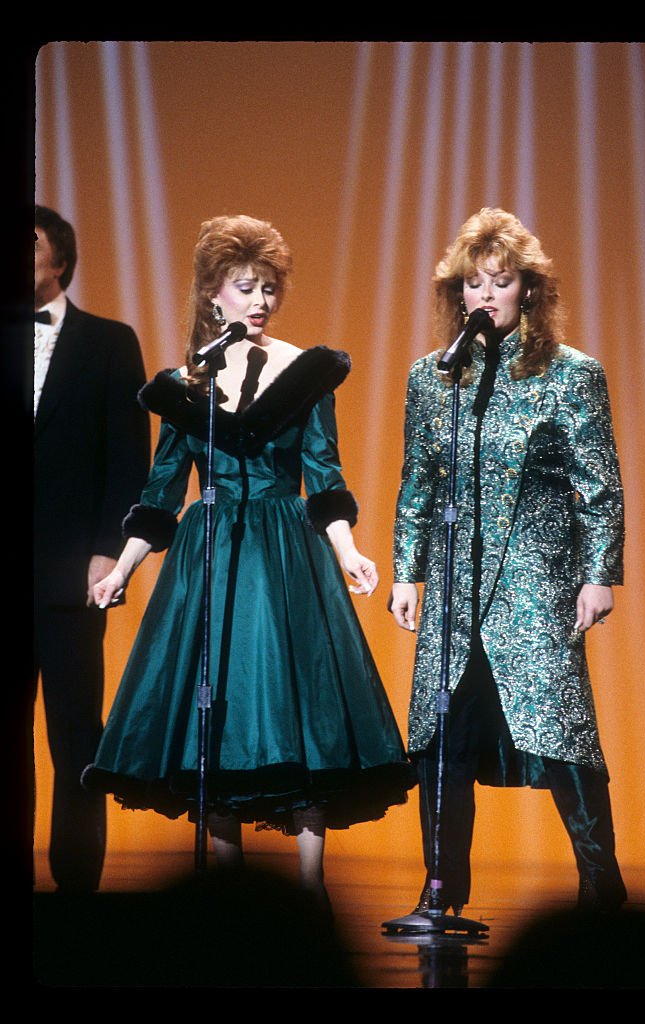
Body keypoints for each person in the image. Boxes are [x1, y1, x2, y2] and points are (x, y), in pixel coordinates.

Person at [83, 214, 414, 907]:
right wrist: (121, 567)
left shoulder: (303, 373)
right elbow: (162, 490)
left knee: (299, 707)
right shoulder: (185, 385)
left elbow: (324, 475)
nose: (260, 301)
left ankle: (309, 886)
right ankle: (227, 889)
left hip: (284, 550)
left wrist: (349, 551)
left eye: (268, 288)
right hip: (210, 554)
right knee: (212, 711)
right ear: (214, 297)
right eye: (246, 287)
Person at [387, 208, 627, 923]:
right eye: (474, 283)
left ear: (528, 288)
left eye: (502, 280)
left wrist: (598, 571)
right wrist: (407, 570)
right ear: (456, 294)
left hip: (535, 579)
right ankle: (440, 895)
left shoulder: (569, 374)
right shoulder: (433, 379)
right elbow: (417, 481)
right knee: (441, 741)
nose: (487, 294)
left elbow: (598, 482)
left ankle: (599, 888)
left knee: (558, 735)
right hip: (456, 587)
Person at [34, 205, 150, 893]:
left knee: (76, 734)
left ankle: (77, 886)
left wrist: (110, 550)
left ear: (61, 261)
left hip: (72, 571)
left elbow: (128, 458)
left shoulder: (109, 341)